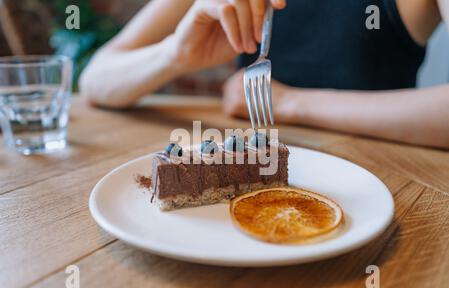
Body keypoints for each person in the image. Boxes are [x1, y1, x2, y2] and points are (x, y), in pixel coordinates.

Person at [79, 0, 449, 149]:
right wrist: (175, 54)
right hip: (252, 176)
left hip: (388, 180)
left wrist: (290, 103)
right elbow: (96, 80)